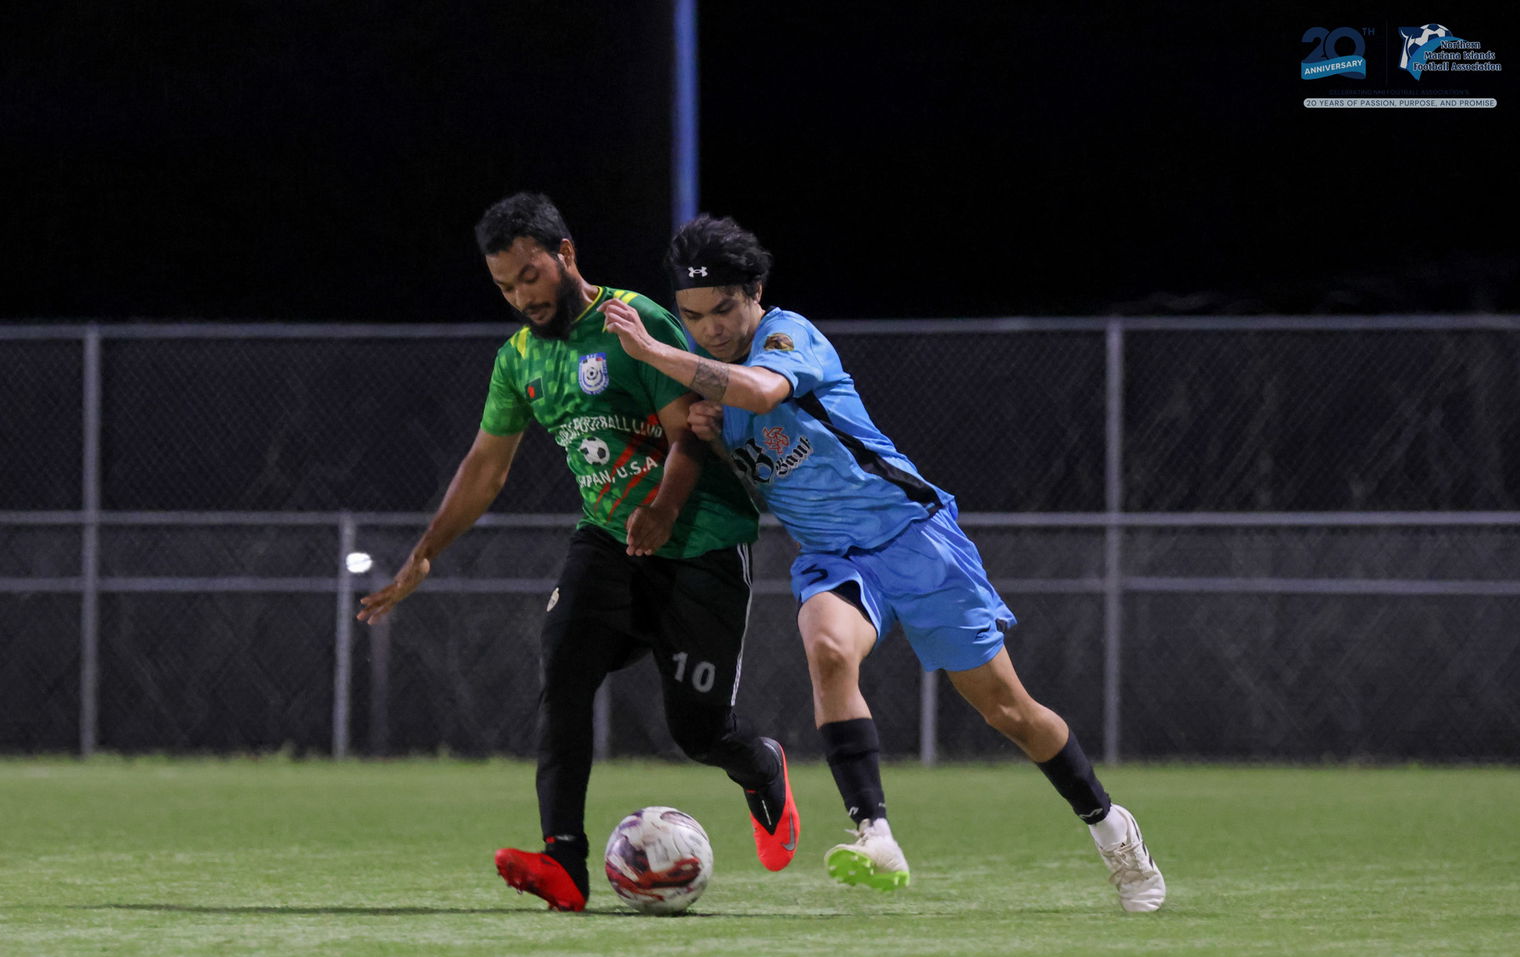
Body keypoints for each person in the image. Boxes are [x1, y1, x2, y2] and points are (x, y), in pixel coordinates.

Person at [600, 215, 1165, 912]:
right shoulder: (714, 386)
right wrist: (708, 438)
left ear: (756, 293)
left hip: (914, 540)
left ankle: (1112, 828)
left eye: (723, 309)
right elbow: (737, 429)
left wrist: (653, 350)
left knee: (1010, 711)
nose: (710, 328)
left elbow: (760, 392)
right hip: (834, 559)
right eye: (693, 316)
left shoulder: (787, 336)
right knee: (830, 652)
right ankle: (875, 833)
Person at [357, 194, 799, 912]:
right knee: (563, 668)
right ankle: (564, 862)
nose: (521, 296)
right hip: (609, 539)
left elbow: (687, 431)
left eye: (530, 275)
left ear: (565, 255)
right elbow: (486, 467)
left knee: (698, 729)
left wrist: (660, 509)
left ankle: (762, 767)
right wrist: (425, 553)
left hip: (700, 541)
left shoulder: (637, 322)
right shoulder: (519, 360)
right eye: (505, 286)